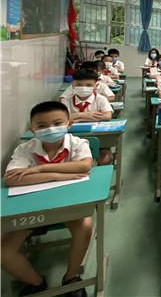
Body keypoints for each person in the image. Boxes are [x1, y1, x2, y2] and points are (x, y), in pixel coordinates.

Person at [2, 101, 93, 297]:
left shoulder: (78, 143)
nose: (50, 129)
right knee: (3, 250)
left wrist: (40, 169)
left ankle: (71, 278)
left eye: (57, 123)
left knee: (85, 226)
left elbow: (83, 166)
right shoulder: (25, 149)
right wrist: (58, 176)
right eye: (42, 126)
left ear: (68, 123)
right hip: (30, 209)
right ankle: (36, 282)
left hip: (68, 206)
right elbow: (11, 178)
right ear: (32, 129)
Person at [60, 69, 113, 165]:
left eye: (88, 85)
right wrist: (84, 115)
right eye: (79, 85)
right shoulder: (67, 101)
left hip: (98, 137)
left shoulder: (101, 99)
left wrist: (77, 118)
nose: (83, 88)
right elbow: (62, 119)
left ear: (96, 85)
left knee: (105, 158)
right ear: (73, 84)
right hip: (72, 140)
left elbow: (107, 116)